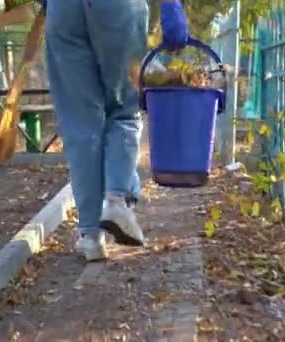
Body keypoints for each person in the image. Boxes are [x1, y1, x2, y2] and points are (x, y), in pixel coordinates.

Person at [44, 0, 189, 261]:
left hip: (63, 10)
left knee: (80, 121)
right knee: (124, 107)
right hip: (117, 8)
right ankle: (117, 202)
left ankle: (90, 236)